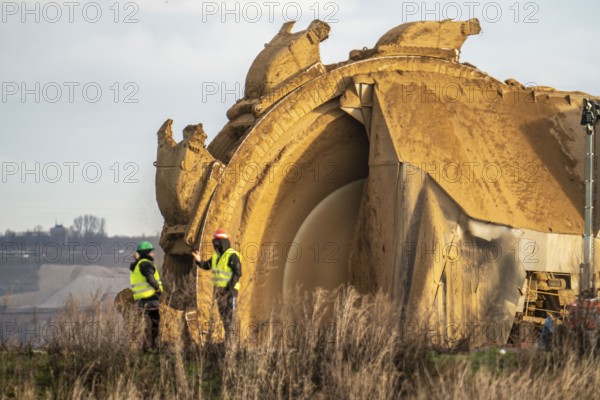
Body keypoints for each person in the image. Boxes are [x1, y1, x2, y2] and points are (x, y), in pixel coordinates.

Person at [192, 229, 242, 341]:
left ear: (222, 242)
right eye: (214, 242)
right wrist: (199, 260)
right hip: (219, 294)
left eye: (217, 242)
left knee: (231, 319)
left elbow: (238, 273)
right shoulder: (216, 257)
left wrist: (229, 288)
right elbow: (206, 265)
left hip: (230, 293)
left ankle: (232, 347)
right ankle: (228, 344)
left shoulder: (232, 255)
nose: (215, 245)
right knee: (224, 319)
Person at [130, 241, 163, 350]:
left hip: (140, 301)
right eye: (151, 252)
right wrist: (157, 288)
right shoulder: (146, 264)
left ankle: (143, 347)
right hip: (151, 299)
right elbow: (150, 277)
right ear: (146, 253)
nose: (152, 254)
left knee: (143, 325)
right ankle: (153, 346)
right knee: (155, 323)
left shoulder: (136, 265)